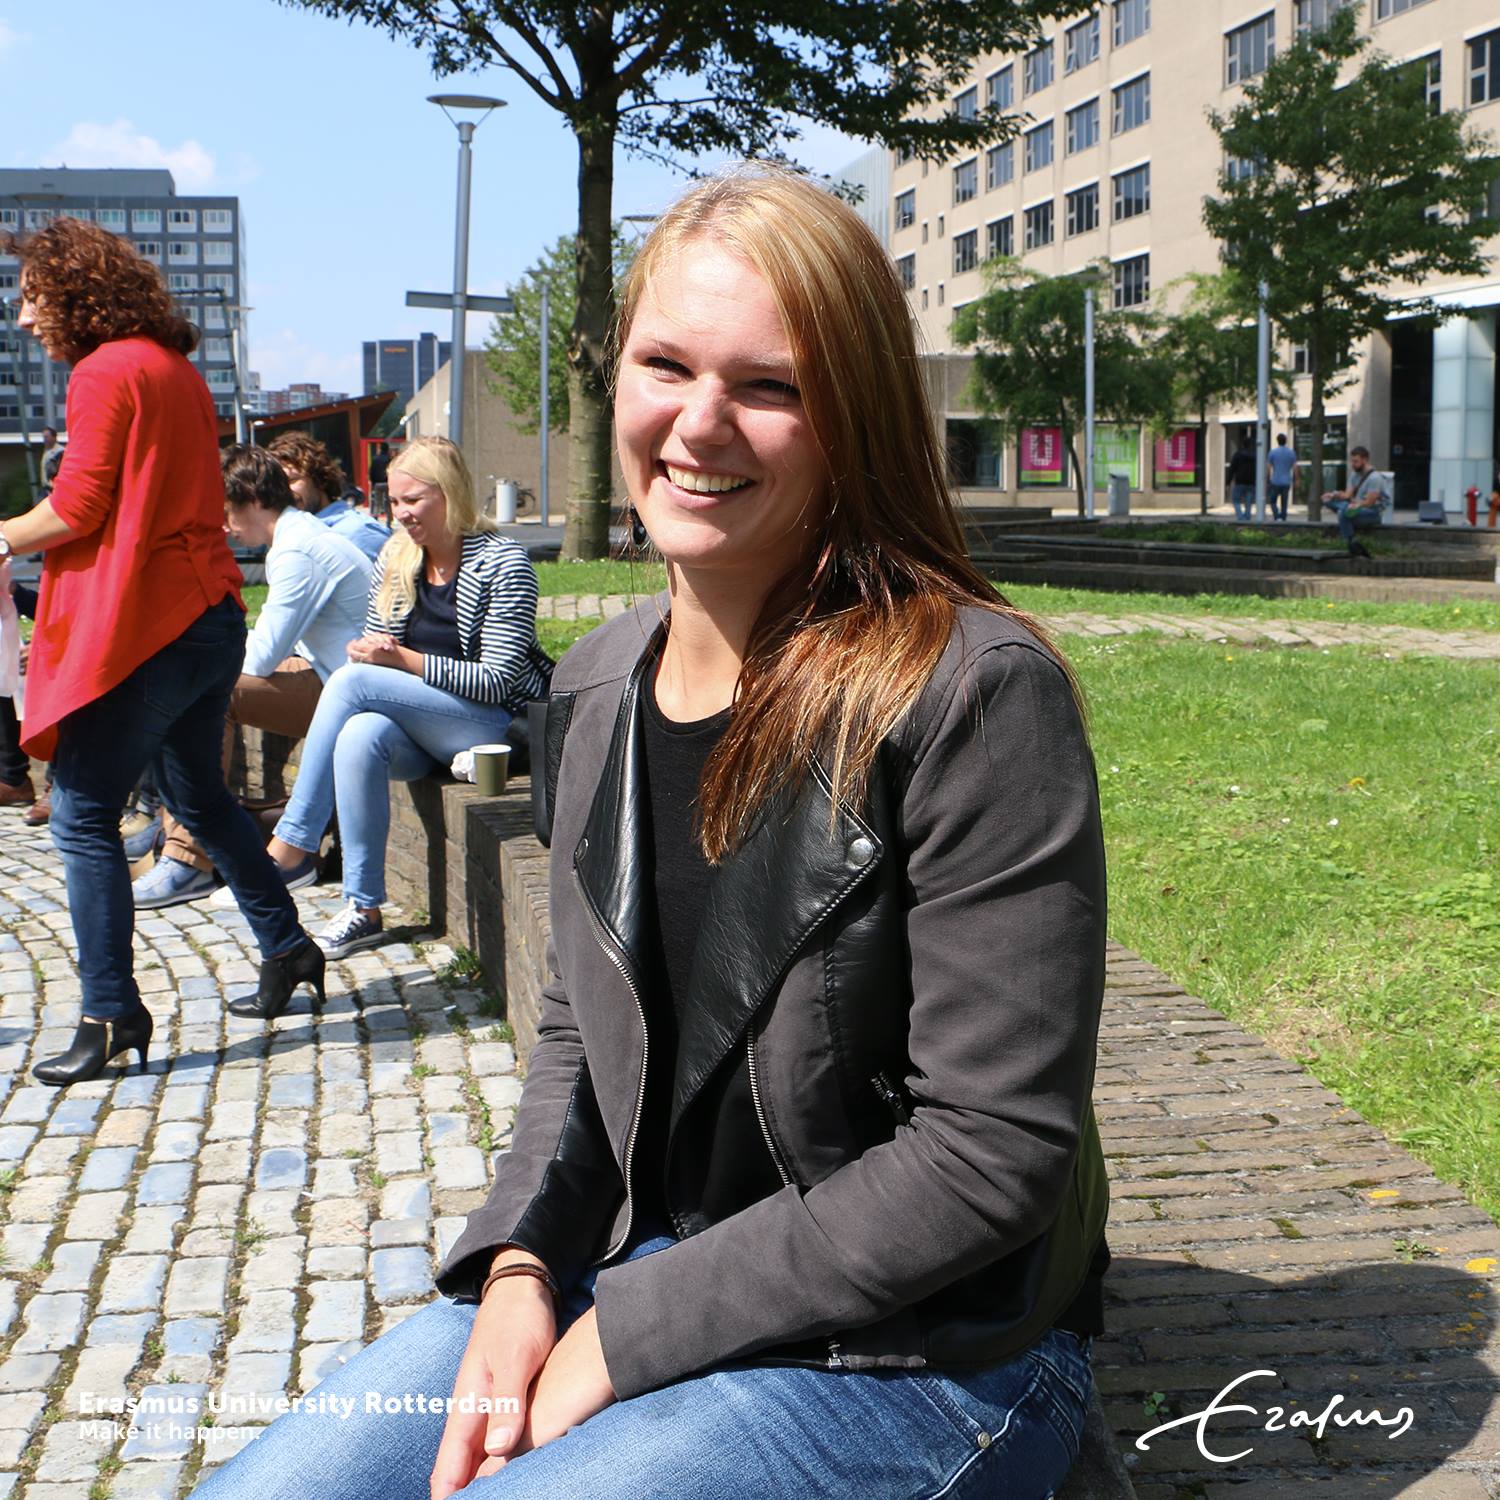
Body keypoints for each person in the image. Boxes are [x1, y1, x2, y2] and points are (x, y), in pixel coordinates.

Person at [192, 166, 1108, 1500]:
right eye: (666, 365)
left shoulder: (972, 694)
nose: (701, 421)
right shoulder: (594, 687)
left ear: (853, 418)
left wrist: (630, 1335)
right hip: (634, 1264)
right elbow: (579, 1038)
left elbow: (988, 1155)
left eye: (771, 385)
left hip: (926, 1345)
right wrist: (521, 1267)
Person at [0, 216, 326, 1085]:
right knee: (200, 798)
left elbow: (78, 506)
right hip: (208, 614)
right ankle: (288, 947)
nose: (24, 319)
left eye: (33, 299)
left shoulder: (104, 370)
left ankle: (111, 1012)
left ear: (75, 294)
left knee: (80, 812)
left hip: (149, 622)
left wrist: (1, 535)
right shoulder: (173, 368)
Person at [262, 435, 552, 961]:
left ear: (450, 493)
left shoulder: (503, 561)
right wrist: (370, 652)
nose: (401, 513)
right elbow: (379, 649)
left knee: (351, 684)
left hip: (494, 726)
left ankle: (295, 843)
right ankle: (363, 908)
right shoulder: (397, 557)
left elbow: (498, 681)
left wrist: (403, 661)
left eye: (414, 499)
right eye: (395, 501)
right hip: (426, 728)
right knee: (360, 732)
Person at [132, 446, 373, 908]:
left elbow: (260, 658)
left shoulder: (297, 550)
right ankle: (180, 833)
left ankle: (188, 856)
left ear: (253, 499)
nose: (224, 525)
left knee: (202, 694)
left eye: (226, 510)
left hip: (348, 690)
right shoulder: (297, 537)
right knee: (192, 685)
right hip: (332, 676)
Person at [265, 430, 391, 563]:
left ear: (319, 479)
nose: (284, 491)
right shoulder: (289, 536)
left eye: (292, 480)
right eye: (277, 485)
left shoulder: (357, 532)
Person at [1321, 444, 1387, 558]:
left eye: (1356, 461)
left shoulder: (1375, 478)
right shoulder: (1354, 475)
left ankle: (1347, 540)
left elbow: (1369, 503)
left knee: (1343, 513)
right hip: (1355, 506)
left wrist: (1355, 505)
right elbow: (1347, 495)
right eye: (1352, 461)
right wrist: (1333, 495)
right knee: (1328, 501)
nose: (1353, 464)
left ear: (1365, 460)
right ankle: (1346, 514)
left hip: (1371, 512)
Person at [1267, 432, 1298, 523]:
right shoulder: (1291, 453)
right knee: (1284, 502)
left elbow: (1268, 467)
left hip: (1275, 481)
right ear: (1285, 441)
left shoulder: (1272, 453)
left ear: (1277, 441)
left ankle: (1277, 516)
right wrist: (1296, 479)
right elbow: (1295, 467)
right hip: (1286, 481)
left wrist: (1267, 478)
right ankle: (1283, 518)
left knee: (1272, 501)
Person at [1227, 432, 1257, 521]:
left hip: (1240, 481)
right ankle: (1247, 516)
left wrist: (1228, 482)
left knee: (1235, 500)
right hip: (1251, 482)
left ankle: (1240, 517)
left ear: (1243, 445)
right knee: (1248, 501)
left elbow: (1232, 469)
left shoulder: (1238, 455)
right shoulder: (1255, 456)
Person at [37, 425, 64, 495]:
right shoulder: (46, 451)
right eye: (43, 437)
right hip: (45, 489)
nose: (44, 439)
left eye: (47, 437)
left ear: (54, 437)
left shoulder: (60, 452)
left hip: (54, 489)